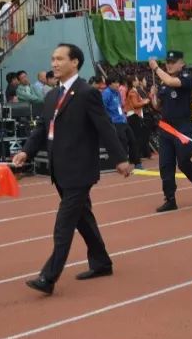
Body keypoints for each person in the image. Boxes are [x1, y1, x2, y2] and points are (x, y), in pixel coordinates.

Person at [13, 43, 133, 295]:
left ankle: (48, 276)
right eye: (52, 58)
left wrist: (120, 158)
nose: (54, 63)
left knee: (64, 224)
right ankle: (101, 262)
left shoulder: (87, 92)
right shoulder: (51, 96)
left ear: (75, 62)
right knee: (83, 218)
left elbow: (104, 127)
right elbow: (41, 129)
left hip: (80, 170)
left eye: (59, 59)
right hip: (60, 170)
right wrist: (26, 151)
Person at [148, 50, 192, 211]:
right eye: (167, 62)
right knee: (165, 164)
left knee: (184, 161)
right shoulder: (163, 84)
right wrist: (153, 97)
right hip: (166, 128)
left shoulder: (186, 78)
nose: (169, 65)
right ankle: (170, 198)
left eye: (173, 62)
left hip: (183, 128)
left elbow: (171, 81)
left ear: (182, 63)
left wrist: (156, 68)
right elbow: (158, 106)